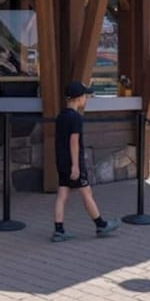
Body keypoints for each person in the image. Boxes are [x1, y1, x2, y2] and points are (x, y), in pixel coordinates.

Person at [51, 81, 119, 242]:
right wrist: (75, 166)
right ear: (79, 98)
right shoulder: (76, 118)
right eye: (85, 96)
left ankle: (58, 229)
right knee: (86, 192)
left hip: (61, 161)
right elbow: (74, 142)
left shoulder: (61, 116)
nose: (86, 99)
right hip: (73, 162)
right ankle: (101, 225)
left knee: (62, 193)